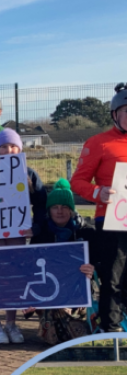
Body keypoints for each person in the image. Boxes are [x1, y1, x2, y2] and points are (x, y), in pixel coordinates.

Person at [71, 83, 127, 332]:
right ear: (115, 114)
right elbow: (77, 181)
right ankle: (111, 328)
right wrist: (98, 192)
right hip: (112, 220)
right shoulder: (99, 143)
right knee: (113, 279)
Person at [0, 129, 46, 344]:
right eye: (3, 147)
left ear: (19, 149)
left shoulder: (29, 173)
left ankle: (11, 322)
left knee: (13, 276)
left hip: (17, 231)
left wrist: (35, 227)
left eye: (13, 146)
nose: (8, 150)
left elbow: (41, 205)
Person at [29, 179, 95, 344]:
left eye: (64, 207)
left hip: (78, 290)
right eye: (55, 207)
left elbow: (99, 262)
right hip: (49, 290)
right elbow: (30, 264)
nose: (59, 211)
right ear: (48, 210)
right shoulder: (40, 234)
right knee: (56, 333)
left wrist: (92, 268)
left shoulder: (86, 232)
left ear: (72, 210)